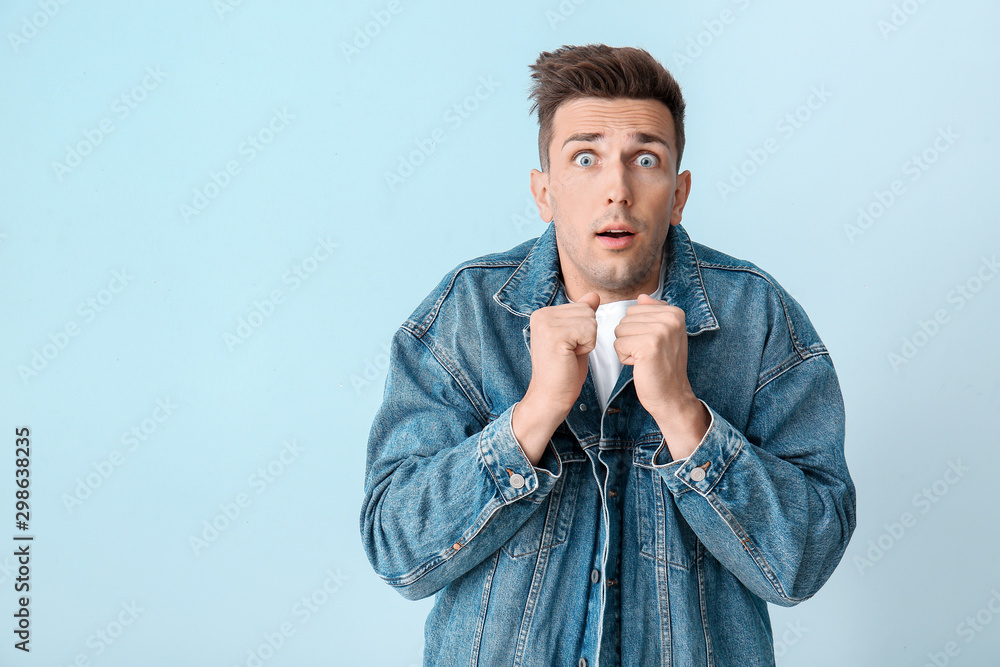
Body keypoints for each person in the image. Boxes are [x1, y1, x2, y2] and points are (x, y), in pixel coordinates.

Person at [360, 43, 856, 667]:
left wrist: (685, 416)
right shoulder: (465, 315)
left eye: (644, 159)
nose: (616, 189)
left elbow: (802, 565)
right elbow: (399, 551)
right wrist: (534, 414)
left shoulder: (758, 318)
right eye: (586, 158)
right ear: (545, 192)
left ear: (678, 193)